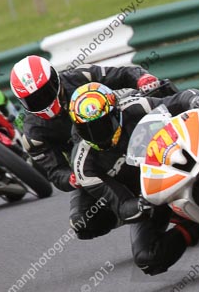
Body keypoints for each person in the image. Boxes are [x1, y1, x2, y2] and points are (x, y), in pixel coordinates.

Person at [68, 83, 199, 275]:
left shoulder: (135, 106)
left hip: (177, 153)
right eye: (88, 129)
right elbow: (121, 205)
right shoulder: (84, 166)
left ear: (115, 113)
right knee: (148, 258)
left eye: (102, 125)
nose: (97, 134)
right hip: (153, 193)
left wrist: (195, 100)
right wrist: (141, 204)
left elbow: (178, 100)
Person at [10, 55, 164, 239]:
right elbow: (55, 172)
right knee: (82, 223)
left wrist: (142, 79)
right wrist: (71, 178)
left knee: (159, 89)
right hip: (95, 164)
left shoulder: (80, 75)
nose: (43, 102)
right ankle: (127, 212)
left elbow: (122, 74)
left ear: (55, 80)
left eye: (45, 93)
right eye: (34, 100)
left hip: (126, 130)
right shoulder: (33, 134)